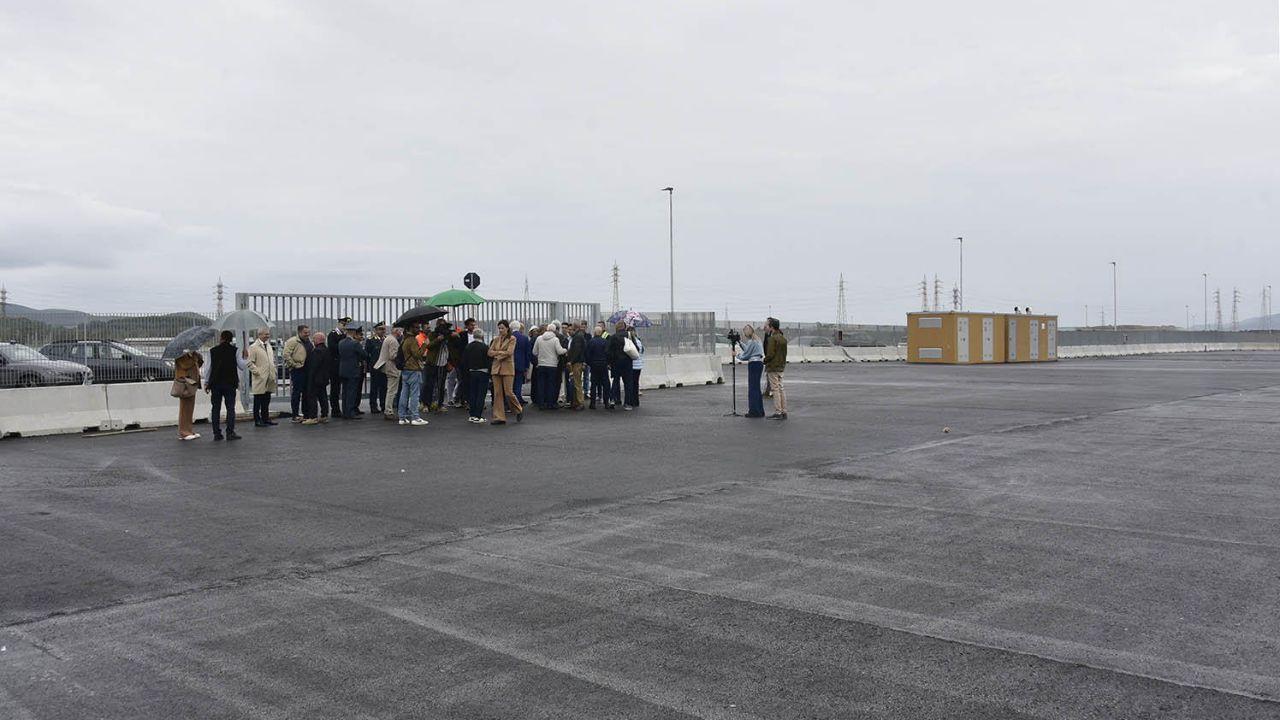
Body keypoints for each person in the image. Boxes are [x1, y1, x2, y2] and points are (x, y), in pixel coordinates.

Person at [204, 330, 245, 441]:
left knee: (216, 408)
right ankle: (230, 432)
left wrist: (206, 382)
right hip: (230, 383)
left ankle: (217, 433)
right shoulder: (235, 351)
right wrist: (246, 358)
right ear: (231, 339)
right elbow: (241, 366)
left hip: (216, 383)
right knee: (230, 408)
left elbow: (208, 368)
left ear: (221, 338)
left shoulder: (212, 351)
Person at [487, 320, 524, 425]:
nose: (500, 330)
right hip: (496, 369)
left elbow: (509, 352)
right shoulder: (496, 339)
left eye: (502, 328)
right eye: (499, 328)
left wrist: (497, 354)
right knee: (497, 393)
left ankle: (518, 409)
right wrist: (499, 353)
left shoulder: (512, 338)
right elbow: (489, 352)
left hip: (507, 368)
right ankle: (499, 417)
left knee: (508, 392)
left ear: (507, 328)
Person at [397, 323, 429, 426]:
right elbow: (418, 355)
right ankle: (415, 417)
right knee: (415, 394)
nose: (419, 329)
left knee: (404, 393)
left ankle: (402, 417)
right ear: (410, 328)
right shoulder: (412, 340)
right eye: (416, 327)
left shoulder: (404, 340)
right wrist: (425, 344)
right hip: (413, 369)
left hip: (405, 369)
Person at [247, 327, 278, 427]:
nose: (267, 336)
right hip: (260, 377)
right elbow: (249, 362)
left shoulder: (268, 346)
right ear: (259, 335)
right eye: (265, 334)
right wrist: (257, 372)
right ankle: (257, 420)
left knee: (266, 399)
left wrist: (274, 371)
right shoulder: (253, 347)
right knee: (258, 400)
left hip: (269, 377)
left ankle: (266, 418)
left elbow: (271, 360)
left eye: (268, 334)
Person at [338, 326, 369, 419]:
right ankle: (350, 412)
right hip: (353, 370)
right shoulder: (355, 343)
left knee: (345, 392)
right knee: (352, 392)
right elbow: (364, 355)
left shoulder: (341, 342)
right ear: (354, 333)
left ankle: (345, 411)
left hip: (343, 369)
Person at [534, 324, 567, 410]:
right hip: (552, 365)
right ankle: (550, 403)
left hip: (541, 365)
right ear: (554, 330)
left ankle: (541, 403)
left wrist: (540, 356)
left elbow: (534, 352)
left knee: (541, 384)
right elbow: (559, 351)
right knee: (551, 385)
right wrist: (565, 350)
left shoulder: (539, 338)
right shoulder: (555, 339)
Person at [282, 324, 310, 421]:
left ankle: (306, 413)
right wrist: (294, 364)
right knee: (297, 393)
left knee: (306, 393)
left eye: (308, 332)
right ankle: (295, 414)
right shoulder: (293, 341)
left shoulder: (307, 341)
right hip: (298, 370)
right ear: (299, 332)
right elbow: (286, 354)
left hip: (307, 370)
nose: (307, 334)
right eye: (305, 332)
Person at [736, 324, 765, 418]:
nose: (744, 334)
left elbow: (746, 355)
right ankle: (760, 410)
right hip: (759, 363)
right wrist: (740, 342)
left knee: (752, 389)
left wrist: (736, 355)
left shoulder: (752, 341)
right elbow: (748, 349)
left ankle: (754, 411)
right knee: (756, 388)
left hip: (754, 364)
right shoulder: (757, 340)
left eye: (744, 332)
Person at [173, 348, 203, 440]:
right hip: (184, 383)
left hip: (192, 383)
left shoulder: (192, 355)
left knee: (190, 408)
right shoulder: (180, 355)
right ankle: (183, 432)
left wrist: (198, 357)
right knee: (184, 408)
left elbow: (198, 364)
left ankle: (189, 430)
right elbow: (185, 365)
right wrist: (194, 358)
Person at [302, 332, 331, 424]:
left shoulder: (316, 351)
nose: (312, 341)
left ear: (318, 340)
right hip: (324, 378)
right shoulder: (326, 350)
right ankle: (324, 415)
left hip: (315, 378)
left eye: (314, 339)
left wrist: (310, 378)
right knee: (323, 397)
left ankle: (313, 417)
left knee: (312, 397)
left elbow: (313, 367)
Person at [423, 318, 451, 413]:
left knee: (441, 385)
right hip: (432, 363)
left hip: (443, 363)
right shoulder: (432, 335)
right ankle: (427, 404)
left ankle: (440, 404)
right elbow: (428, 346)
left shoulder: (447, 336)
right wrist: (437, 340)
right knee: (429, 384)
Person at [463, 328, 490, 423]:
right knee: (481, 395)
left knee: (472, 394)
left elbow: (464, 361)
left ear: (473, 336)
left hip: (471, 372)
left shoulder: (468, 347)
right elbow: (489, 361)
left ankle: (472, 415)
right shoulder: (485, 347)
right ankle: (478, 416)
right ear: (482, 336)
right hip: (483, 372)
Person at [376, 325, 403, 421]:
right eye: (400, 330)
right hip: (392, 368)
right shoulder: (393, 341)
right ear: (396, 331)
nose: (401, 332)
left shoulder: (388, 339)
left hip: (387, 367)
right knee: (392, 391)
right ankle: (388, 411)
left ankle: (388, 410)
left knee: (390, 390)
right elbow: (393, 356)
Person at [764, 318, 788, 420]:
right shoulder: (783, 338)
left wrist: (764, 360)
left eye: (767, 325)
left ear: (771, 327)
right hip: (781, 367)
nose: (766, 327)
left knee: (775, 389)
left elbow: (770, 354)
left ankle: (778, 412)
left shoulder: (772, 339)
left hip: (773, 367)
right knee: (781, 388)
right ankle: (784, 411)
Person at [364, 323, 389, 415]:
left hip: (385, 367)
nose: (382, 331)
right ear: (375, 330)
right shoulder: (371, 340)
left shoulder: (386, 339)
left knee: (384, 387)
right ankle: (373, 406)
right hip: (375, 367)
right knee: (374, 388)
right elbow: (366, 354)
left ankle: (383, 405)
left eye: (383, 329)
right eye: (380, 329)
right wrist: (371, 365)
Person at [327, 317, 350, 415]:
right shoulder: (333, 334)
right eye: (343, 325)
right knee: (335, 388)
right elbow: (333, 347)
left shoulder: (345, 335)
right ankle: (335, 409)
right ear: (339, 324)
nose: (345, 327)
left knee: (344, 387)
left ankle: (346, 408)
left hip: (343, 364)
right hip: (335, 364)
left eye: (346, 325)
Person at [607, 321, 632, 410]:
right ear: (624, 327)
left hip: (616, 362)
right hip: (627, 362)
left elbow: (608, 351)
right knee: (628, 383)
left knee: (615, 381)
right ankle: (627, 403)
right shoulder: (629, 335)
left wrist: (609, 362)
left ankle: (613, 399)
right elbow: (635, 348)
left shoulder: (613, 337)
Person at [585, 325, 610, 409]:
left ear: (595, 332)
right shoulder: (605, 342)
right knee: (605, 384)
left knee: (594, 384)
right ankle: (606, 402)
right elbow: (608, 354)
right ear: (601, 332)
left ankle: (592, 404)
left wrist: (590, 363)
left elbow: (588, 355)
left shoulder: (591, 342)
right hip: (603, 365)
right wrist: (607, 363)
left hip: (594, 365)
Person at [566, 321, 587, 410]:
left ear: (575, 328)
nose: (570, 330)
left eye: (572, 328)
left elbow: (577, 351)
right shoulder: (579, 336)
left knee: (577, 383)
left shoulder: (577, 337)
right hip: (578, 362)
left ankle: (580, 402)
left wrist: (571, 361)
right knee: (575, 383)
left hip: (576, 363)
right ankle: (575, 402)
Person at [511, 320, 531, 404]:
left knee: (510, 383)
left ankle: (511, 400)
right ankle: (518, 398)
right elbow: (527, 353)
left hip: (510, 363)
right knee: (518, 382)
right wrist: (527, 365)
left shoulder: (508, 337)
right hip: (521, 363)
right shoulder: (524, 338)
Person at [626, 327, 645, 408]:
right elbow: (642, 351)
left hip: (632, 366)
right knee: (636, 383)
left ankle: (630, 400)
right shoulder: (639, 341)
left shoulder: (630, 342)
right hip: (639, 366)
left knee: (630, 384)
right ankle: (636, 401)